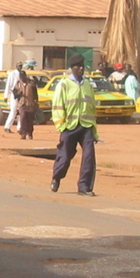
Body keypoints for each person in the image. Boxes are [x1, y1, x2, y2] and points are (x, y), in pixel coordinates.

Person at [50, 53, 98, 196]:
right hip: (69, 126)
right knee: (65, 155)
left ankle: (84, 187)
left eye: (82, 66)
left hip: (86, 125)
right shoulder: (64, 84)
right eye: (78, 66)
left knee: (89, 156)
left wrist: (94, 131)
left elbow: (92, 107)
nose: (81, 69)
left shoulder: (88, 84)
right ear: (72, 68)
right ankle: (57, 176)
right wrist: (61, 125)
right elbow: (57, 105)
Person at [14, 70, 39, 140]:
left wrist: (36, 101)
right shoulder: (18, 84)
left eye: (22, 76)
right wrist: (18, 94)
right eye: (20, 77)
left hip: (30, 104)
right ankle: (23, 133)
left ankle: (29, 133)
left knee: (29, 119)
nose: (21, 78)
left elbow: (35, 93)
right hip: (22, 104)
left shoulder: (31, 83)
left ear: (25, 76)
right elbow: (15, 95)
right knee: (23, 118)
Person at [3, 61, 23, 133]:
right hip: (14, 93)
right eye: (19, 66)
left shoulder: (23, 73)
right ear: (16, 66)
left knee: (20, 111)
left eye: (21, 66)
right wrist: (6, 95)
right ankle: (7, 127)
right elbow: (8, 84)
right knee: (13, 111)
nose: (20, 67)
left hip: (21, 94)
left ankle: (19, 128)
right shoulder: (12, 74)